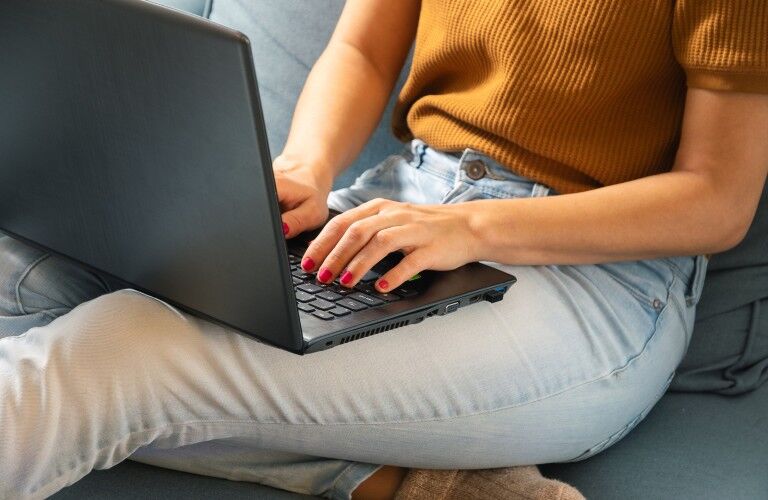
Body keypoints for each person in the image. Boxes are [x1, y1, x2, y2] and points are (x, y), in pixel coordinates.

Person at [1, 1, 767, 499]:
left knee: (123, 352)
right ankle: (411, 479)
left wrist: (467, 229)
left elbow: (717, 199)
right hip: (393, 207)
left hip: (589, 281)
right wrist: (306, 165)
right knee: (24, 267)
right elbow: (364, 50)